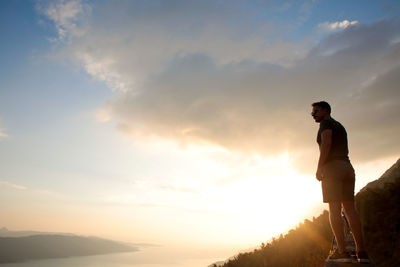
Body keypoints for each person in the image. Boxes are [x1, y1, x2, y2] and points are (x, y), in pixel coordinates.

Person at [311, 101, 370, 263]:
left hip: (333, 169)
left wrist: (319, 167)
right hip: (347, 168)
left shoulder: (325, 123)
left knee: (334, 209)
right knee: (351, 210)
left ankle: (342, 252)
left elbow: (327, 143)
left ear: (325, 110)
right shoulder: (340, 125)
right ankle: (362, 252)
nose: (313, 114)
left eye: (316, 110)